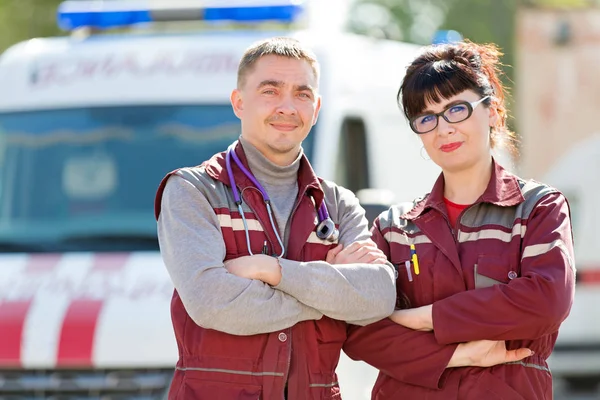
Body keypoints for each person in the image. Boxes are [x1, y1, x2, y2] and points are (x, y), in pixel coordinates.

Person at [154, 36, 399, 399]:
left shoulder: (338, 203)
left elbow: (378, 297)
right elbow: (211, 302)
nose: (287, 106)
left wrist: (272, 271)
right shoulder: (193, 191)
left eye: (302, 94)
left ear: (315, 109)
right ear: (239, 102)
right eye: (270, 90)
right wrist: (328, 297)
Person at [343, 41, 576, 399]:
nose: (443, 129)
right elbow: (359, 331)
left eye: (457, 109)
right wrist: (459, 353)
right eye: (426, 118)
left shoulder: (536, 209)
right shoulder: (395, 228)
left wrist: (425, 317)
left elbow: (546, 301)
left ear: (494, 112)